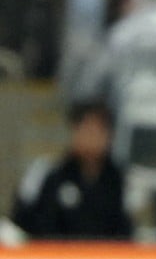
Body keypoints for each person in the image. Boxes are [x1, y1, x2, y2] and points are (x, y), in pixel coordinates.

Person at [11, 99, 131, 240]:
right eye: (87, 130)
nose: (92, 138)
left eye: (99, 131)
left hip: (105, 253)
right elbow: (23, 220)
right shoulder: (50, 174)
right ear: (74, 131)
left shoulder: (120, 180)